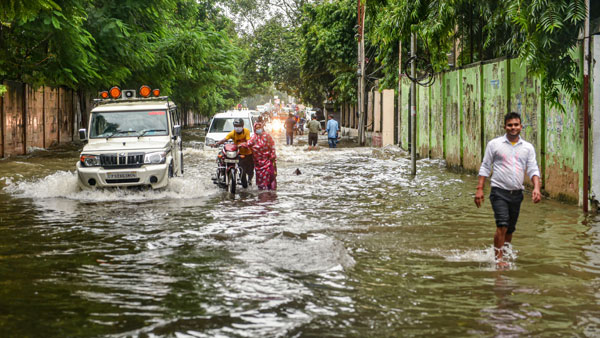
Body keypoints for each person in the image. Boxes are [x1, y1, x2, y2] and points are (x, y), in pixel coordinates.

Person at [474, 112, 542, 264]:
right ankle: (499, 261)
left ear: (521, 127)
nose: (513, 128)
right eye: (510, 125)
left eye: (516, 125)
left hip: (517, 193)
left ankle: (504, 255)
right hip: (499, 191)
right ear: (505, 127)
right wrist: (479, 189)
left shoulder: (527, 148)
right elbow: (485, 167)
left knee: (510, 229)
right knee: (502, 224)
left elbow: (533, 169)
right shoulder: (494, 145)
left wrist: (537, 188)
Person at [215, 118, 254, 185]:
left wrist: (243, 144)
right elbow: (224, 139)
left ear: (242, 126)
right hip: (239, 154)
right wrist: (217, 143)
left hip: (249, 153)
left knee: (250, 171)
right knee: (242, 170)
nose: (237, 128)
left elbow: (248, 141)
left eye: (239, 126)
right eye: (236, 126)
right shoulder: (232, 133)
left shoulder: (246, 131)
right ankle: (243, 183)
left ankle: (250, 180)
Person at [239, 122, 277, 190]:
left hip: (267, 160)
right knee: (260, 178)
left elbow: (272, 145)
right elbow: (248, 144)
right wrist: (240, 145)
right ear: (254, 129)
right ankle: (262, 192)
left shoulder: (267, 136)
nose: (258, 129)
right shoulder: (253, 137)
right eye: (257, 128)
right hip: (258, 162)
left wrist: (273, 154)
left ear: (262, 128)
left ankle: (270, 191)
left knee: (270, 175)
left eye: (259, 128)